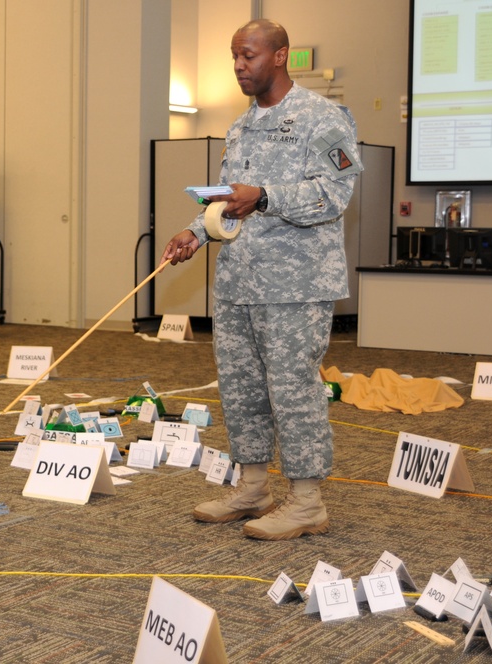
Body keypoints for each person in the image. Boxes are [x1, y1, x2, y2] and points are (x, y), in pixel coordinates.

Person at [161, 19, 362, 541]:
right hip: (238, 282)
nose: (238, 66)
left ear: (280, 56)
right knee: (242, 390)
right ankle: (253, 487)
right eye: (234, 57)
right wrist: (194, 232)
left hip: (296, 286)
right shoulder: (242, 124)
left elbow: (333, 196)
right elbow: (230, 201)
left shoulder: (323, 118)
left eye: (248, 55)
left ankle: (307, 502)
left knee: (293, 391)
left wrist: (266, 195)